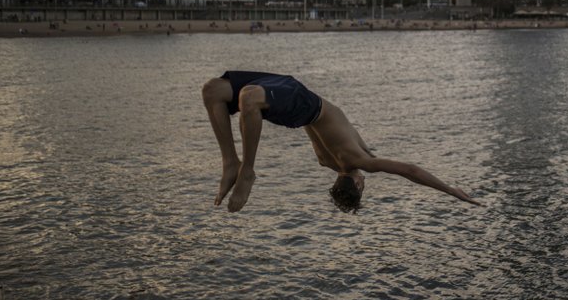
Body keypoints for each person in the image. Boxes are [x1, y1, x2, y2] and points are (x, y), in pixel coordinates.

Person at [201, 71, 480, 213]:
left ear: (359, 183)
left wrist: (450, 189)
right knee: (213, 90)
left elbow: (410, 171)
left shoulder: (359, 162)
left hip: (305, 104)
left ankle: (246, 170)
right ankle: (231, 162)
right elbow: (311, 128)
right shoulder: (326, 162)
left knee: (249, 97)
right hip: (299, 104)